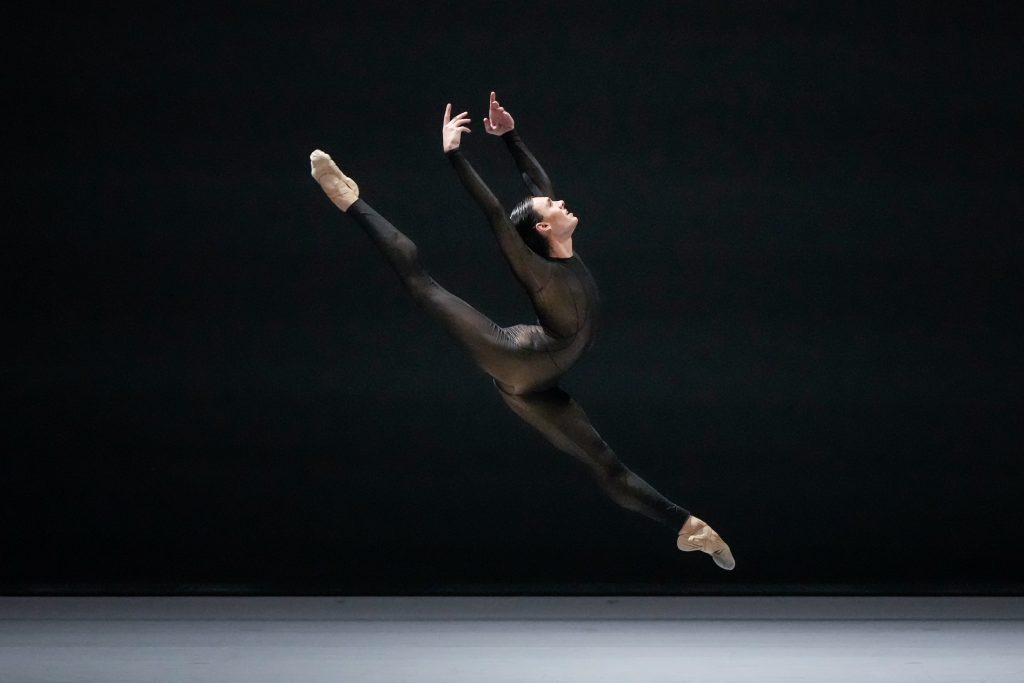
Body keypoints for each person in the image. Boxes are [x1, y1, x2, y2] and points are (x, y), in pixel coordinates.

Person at [310, 92, 734, 570]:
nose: (557, 200)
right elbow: (495, 213)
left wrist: (510, 136)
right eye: (549, 205)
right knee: (423, 285)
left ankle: (690, 530)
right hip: (517, 356)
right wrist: (455, 155)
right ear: (542, 228)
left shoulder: (558, 247)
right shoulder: (536, 267)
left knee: (606, 465)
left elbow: (535, 181)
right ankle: (351, 199)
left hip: (538, 383)